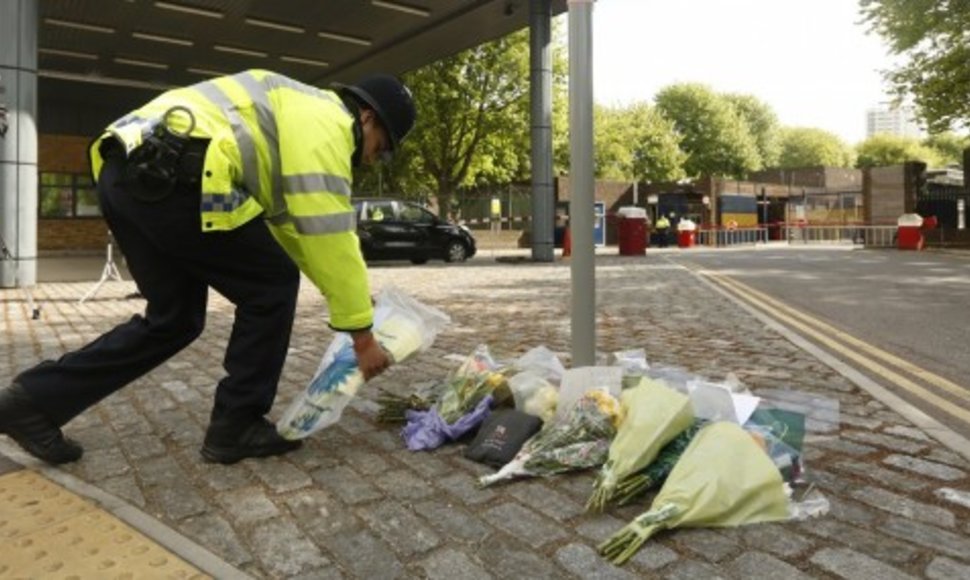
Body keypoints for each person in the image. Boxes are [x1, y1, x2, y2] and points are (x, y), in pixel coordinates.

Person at [0, 69, 416, 465]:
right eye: (382, 146)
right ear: (366, 117)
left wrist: (352, 304)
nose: (374, 159)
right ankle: (236, 424)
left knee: (174, 319)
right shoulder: (328, 125)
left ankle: (31, 404)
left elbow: (299, 235)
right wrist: (362, 335)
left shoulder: (297, 111)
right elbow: (330, 236)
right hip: (180, 174)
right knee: (271, 287)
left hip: (128, 173)